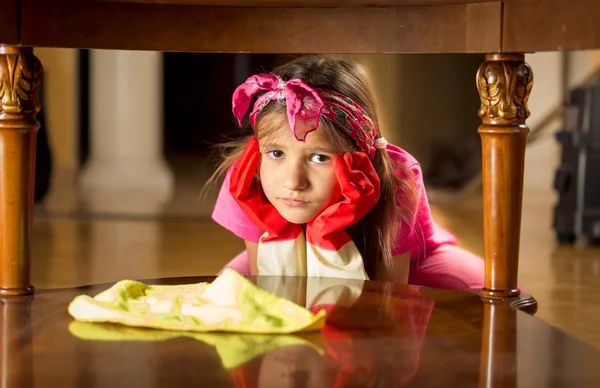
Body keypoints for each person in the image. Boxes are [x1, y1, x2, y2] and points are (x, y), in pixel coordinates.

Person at [209, 55, 485, 291]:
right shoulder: (250, 176)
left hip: (399, 259)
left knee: (494, 299)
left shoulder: (397, 176)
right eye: (277, 153)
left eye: (319, 157)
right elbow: (269, 289)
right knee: (225, 295)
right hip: (284, 250)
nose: (293, 182)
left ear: (361, 158)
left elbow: (388, 298)